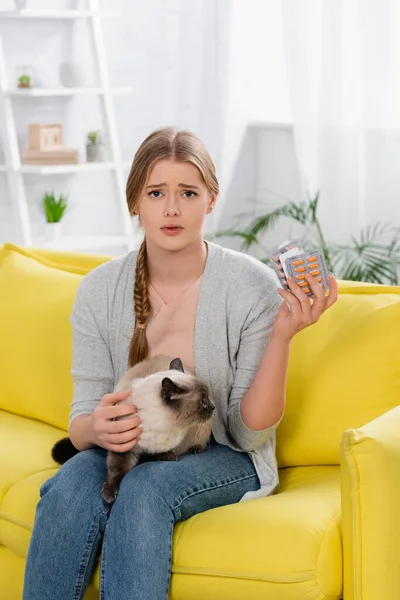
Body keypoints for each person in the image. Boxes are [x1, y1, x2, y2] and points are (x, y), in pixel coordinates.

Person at [23, 126, 338, 600]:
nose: (171, 209)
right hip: (132, 447)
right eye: (156, 193)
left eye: (187, 192)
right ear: (135, 203)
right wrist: (98, 430)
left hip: (226, 454)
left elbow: (249, 434)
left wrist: (281, 336)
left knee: (145, 490)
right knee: (67, 490)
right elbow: (81, 420)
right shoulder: (98, 291)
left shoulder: (250, 286)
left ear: (210, 200)